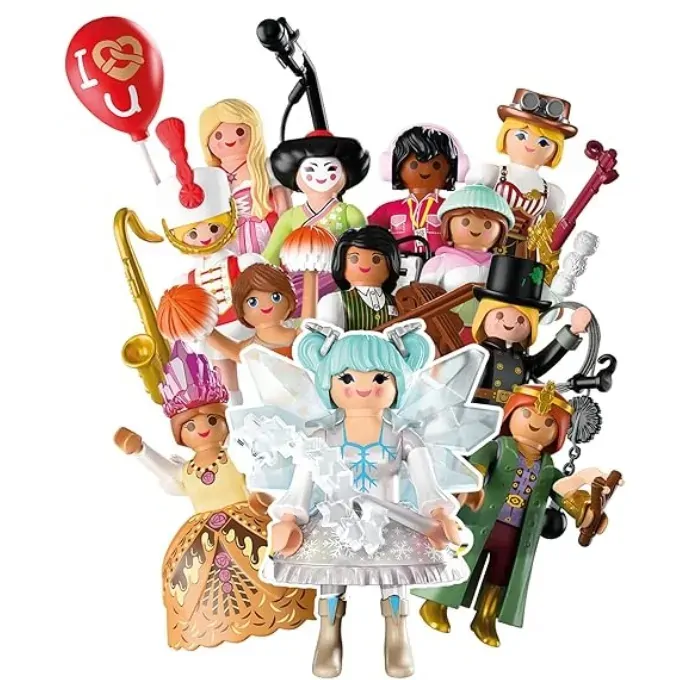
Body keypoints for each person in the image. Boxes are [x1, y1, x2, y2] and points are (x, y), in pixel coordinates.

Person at [230, 321, 499, 677]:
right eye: (346, 378)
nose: (362, 387)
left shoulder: (404, 438)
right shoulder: (321, 437)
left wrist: (441, 513)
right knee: (330, 578)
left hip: (393, 520)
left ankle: (397, 634)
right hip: (334, 518)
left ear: (397, 385)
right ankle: (328, 634)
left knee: (395, 578)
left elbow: (427, 485)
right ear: (328, 385)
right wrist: (289, 518)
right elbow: (301, 485)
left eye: (379, 378)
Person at [113, 341, 315, 649]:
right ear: (180, 434)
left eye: (211, 420)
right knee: (191, 576)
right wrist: (141, 451)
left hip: (248, 520)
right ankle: (211, 622)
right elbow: (169, 475)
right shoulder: (188, 469)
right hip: (200, 533)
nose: (203, 429)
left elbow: (257, 468)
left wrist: (263, 498)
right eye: (190, 426)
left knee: (270, 561)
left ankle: (282, 605)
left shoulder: (236, 452)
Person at [413, 382, 618, 646]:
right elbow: (475, 468)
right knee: (462, 561)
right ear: (511, 413)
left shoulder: (548, 468)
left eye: (548, 422)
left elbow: (564, 494)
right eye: (527, 413)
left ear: (558, 432)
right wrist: (472, 487)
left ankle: (486, 617)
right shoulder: (498, 447)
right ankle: (436, 603)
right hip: (480, 521)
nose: (535, 424)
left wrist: (587, 512)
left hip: (517, 534)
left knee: (502, 575)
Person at [156, 115, 265, 405]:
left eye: (213, 227)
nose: (205, 237)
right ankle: (235, 416)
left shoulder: (245, 263)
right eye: (193, 233)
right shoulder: (184, 282)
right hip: (215, 342)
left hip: (256, 333)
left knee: (268, 377)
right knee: (226, 385)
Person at [465, 89, 577, 259]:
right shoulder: (491, 174)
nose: (530, 145)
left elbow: (550, 233)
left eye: (543, 142)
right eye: (521, 135)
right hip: (486, 244)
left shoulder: (551, 193)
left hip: (523, 254)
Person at [262, 129, 369, 302]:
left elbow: (365, 251)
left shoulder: (350, 213)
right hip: (298, 285)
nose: (321, 175)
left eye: (331, 168)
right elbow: (271, 254)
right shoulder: (290, 217)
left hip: (340, 282)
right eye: (310, 169)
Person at [470, 255, 591, 406]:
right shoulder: (477, 353)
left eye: (521, 319)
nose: (511, 322)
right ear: (483, 317)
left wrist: (572, 332)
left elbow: (542, 362)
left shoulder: (520, 358)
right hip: (480, 411)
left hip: (514, 412)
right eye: (500, 315)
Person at [158, 263, 315, 361]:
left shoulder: (300, 336)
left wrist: (311, 274)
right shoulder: (248, 350)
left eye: (276, 297)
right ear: (241, 311)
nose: (265, 306)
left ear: (289, 300)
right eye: (252, 302)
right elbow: (228, 347)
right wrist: (198, 321)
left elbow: (309, 323)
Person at [419, 185, 513, 343]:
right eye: (465, 221)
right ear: (448, 224)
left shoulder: (501, 267)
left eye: (488, 225)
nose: (476, 228)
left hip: (490, 333)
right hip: (449, 331)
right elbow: (424, 298)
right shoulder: (440, 262)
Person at [200, 99, 291, 254]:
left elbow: (283, 202)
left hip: (264, 228)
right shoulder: (211, 176)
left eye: (240, 132)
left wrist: (287, 226)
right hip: (229, 237)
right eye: (218, 135)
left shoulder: (265, 167)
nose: (229, 140)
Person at [369, 125, 468, 255]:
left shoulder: (451, 208)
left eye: (436, 165)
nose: (425, 170)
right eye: (414, 165)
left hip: (440, 261)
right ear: (393, 168)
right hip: (401, 262)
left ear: (455, 170)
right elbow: (367, 234)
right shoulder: (388, 209)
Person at [316, 227, 401, 330]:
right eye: (354, 258)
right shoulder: (335, 301)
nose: (365, 265)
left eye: (376, 259)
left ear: (391, 263)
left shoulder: (398, 302)